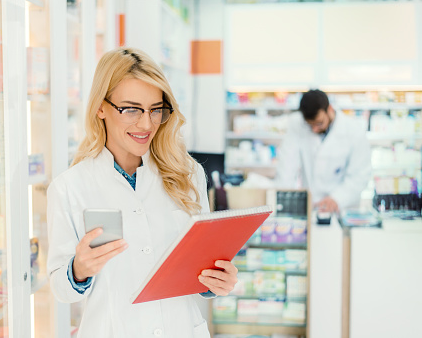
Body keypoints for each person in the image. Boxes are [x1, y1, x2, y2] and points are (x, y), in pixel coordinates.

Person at [47, 47, 238, 338]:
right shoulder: (69, 188)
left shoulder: (187, 174)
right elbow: (61, 290)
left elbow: (200, 271)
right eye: (131, 109)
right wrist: (79, 269)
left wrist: (217, 281)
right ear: (101, 107)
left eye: (155, 109)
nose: (146, 124)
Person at [276, 89, 372, 213]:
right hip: (311, 205)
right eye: (310, 125)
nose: (315, 129)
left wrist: (337, 198)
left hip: (342, 206)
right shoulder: (297, 124)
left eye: (319, 124)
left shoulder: (354, 131)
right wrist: (283, 199)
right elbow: (286, 166)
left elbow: (360, 175)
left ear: (330, 109)